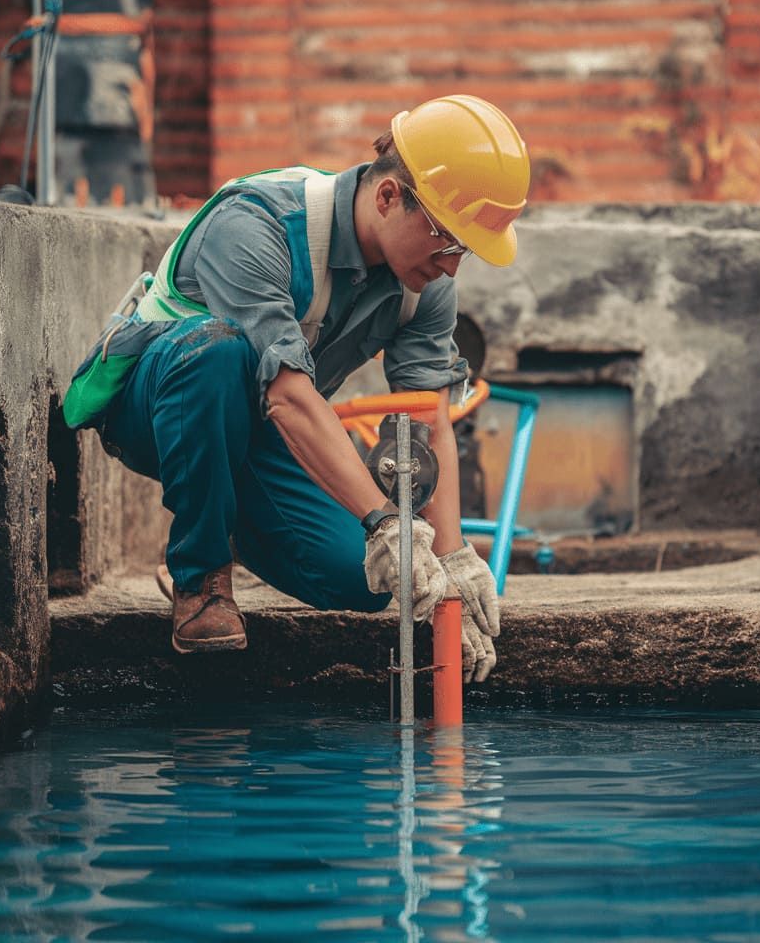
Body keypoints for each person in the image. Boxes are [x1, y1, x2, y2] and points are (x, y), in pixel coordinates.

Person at [63, 93, 530, 682]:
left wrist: (450, 557)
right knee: (220, 351)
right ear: (388, 198)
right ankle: (200, 579)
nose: (453, 266)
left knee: (360, 580)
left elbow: (425, 418)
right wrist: (386, 524)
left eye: (463, 249)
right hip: (160, 403)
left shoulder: (425, 281)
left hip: (263, 423)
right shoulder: (256, 223)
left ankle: (232, 517)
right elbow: (285, 393)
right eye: (447, 242)